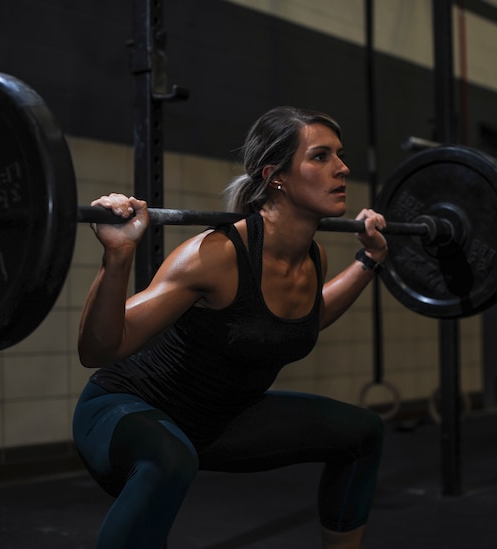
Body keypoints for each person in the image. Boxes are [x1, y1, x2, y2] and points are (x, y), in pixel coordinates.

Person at [72, 106, 389, 549]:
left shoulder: (313, 258)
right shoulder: (215, 254)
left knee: (362, 433)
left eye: (339, 155)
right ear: (275, 175)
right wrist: (119, 256)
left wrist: (370, 260)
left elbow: (301, 320)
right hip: (127, 409)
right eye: (321, 156)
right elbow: (100, 349)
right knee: (171, 460)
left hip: (222, 420)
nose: (342, 168)